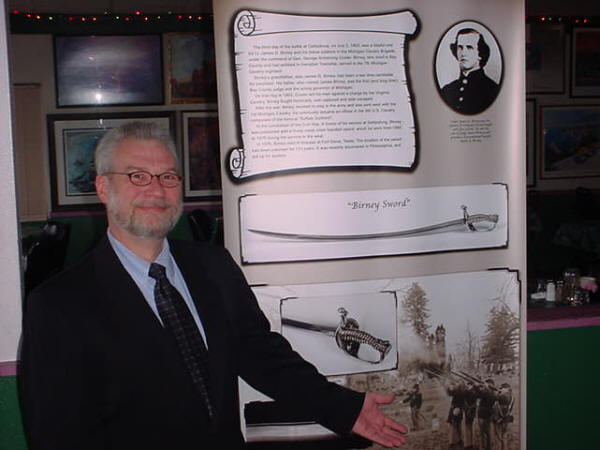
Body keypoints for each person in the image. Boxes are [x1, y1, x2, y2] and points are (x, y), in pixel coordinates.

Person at [18, 122, 407, 450]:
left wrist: (343, 407)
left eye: (168, 177)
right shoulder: (58, 306)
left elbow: (262, 355)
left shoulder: (212, 266)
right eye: (137, 176)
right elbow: (58, 435)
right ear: (103, 188)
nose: (156, 190)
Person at [440, 28, 500, 115]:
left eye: (469, 47)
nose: (463, 53)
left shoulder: (492, 90)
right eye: (460, 47)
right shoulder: (447, 90)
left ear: (480, 53)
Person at [477, 378, 497, 450]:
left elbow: (479, 395)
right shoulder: (494, 393)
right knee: (487, 432)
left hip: (483, 414)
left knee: (482, 432)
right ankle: (488, 447)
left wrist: (477, 387)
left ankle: (482, 447)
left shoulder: (487, 393)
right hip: (488, 414)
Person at [492, 383, 514, 450]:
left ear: (506, 389)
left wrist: (495, 391)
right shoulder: (511, 396)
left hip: (500, 419)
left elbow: (494, 397)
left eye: (502, 388)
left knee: (498, 438)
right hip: (507, 419)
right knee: (504, 438)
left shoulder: (504, 395)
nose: (500, 389)